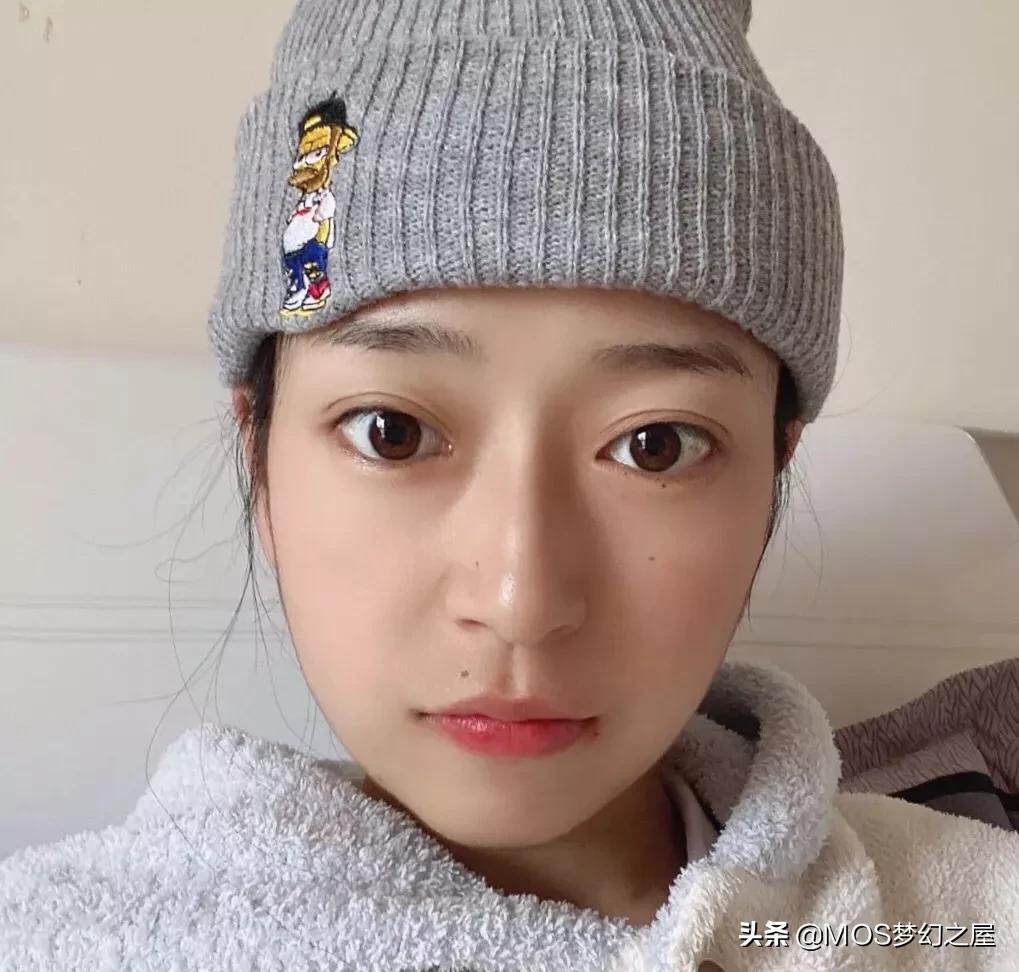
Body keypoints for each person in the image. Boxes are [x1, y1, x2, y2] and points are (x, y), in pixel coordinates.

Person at [2, 1, 1017, 970]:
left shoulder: (961, 912)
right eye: (392, 433)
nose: (518, 601)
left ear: (775, 468)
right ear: (259, 458)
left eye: (655, 445)